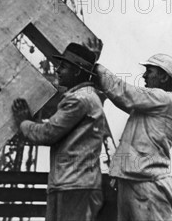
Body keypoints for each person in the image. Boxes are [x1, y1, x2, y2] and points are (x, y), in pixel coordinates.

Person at [12, 42, 104, 221]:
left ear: (77, 72)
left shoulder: (79, 100)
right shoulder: (84, 96)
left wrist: (24, 122)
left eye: (64, 66)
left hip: (74, 186)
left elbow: (47, 133)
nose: (57, 70)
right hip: (71, 184)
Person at [93, 53, 172, 221]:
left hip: (148, 184)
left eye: (150, 71)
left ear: (163, 77)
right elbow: (122, 97)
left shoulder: (166, 99)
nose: (144, 75)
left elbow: (125, 94)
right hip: (132, 181)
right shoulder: (150, 105)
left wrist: (97, 68)